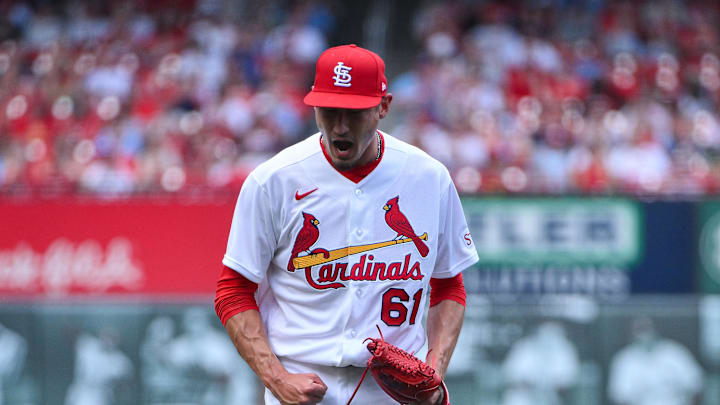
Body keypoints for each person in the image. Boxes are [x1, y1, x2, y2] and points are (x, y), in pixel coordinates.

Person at [215, 44, 479, 405]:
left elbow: (449, 284)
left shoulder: (429, 178)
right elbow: (233, 290)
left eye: (354, 112)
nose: (339, 125)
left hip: (393, 390)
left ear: (383, 107)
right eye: (328, 110)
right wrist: (276, 379)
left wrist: (434, 371)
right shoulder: (273, 180)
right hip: (302, 385)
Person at [607, 317, 703, 405]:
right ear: (632, 332)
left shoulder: (675, 352)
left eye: (647, 328)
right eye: (640, 329)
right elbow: (620, 397)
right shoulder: (624, 359)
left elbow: (696, 385)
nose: (644, 334)